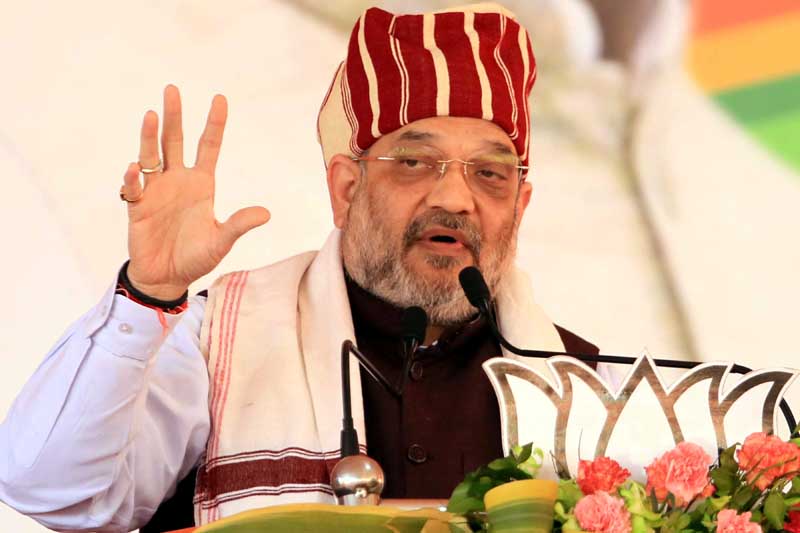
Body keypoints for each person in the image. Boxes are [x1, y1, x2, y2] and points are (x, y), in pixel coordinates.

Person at [0, 3, 601, 532]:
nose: (454, 198)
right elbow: (50, 491)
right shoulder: (218, 340)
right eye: (416, 161)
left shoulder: (587, 391)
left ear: (518, 207)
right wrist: (148, 294)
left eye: (490, 172)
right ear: (346, 189)